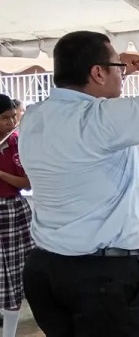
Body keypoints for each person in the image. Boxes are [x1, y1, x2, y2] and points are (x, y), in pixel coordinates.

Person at [19, 10, 139, 336]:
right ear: (96, 72)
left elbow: (94, 111)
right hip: (101, 279)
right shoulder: (101, 121)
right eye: (115, 67)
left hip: (47, 269)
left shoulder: (35, 117)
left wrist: (116, 73)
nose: (122, 72)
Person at [0, 95, 32, 337]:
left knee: (13, 276)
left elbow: (27, 183)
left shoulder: (17, 144)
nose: (11, 123)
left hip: (12, 211)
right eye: (4, 119)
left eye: (13, 117)